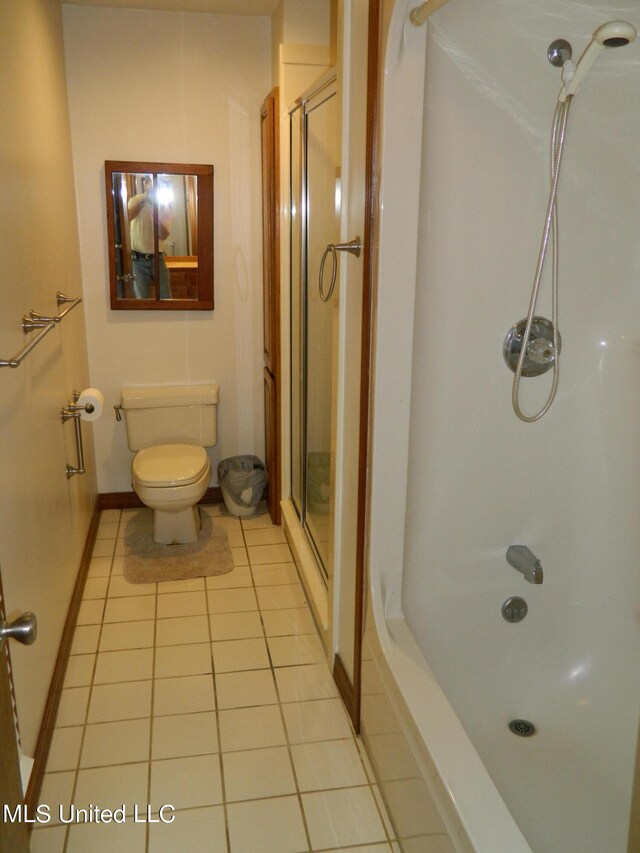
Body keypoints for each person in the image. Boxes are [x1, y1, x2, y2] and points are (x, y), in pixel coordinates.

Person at [127, 176, 173, 299]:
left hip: (158, 259)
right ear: (146, 184)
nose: (154, 187)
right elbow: (127, 218)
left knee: (166, 298)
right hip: (137, 260)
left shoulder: (165, 208)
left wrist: (156, 216)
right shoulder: (135, 201)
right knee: (141, 301)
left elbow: (164, 235)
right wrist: (145, 200)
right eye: (152, 183)